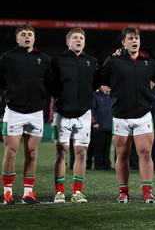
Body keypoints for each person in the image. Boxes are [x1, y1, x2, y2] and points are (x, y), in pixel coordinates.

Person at [101, 27, 155, 204]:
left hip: (143, 115)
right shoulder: (113, 61)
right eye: (130, 38)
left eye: (136, 37)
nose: (134, 41)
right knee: (122, 155)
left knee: (145, 153)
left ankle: (147, 191)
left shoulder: (149, 62)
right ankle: (123, 192)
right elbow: (99, 79)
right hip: (120, 115)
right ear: (123, 42)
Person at [0, 24, 52, 205]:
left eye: (30, 34)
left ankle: (28, 192)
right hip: (13, 112)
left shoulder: (44, 59)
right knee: (11, 152)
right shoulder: (7, 58)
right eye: (23, 34)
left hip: (36, 112)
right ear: (17, 39)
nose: (27, 37)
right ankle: (7, 192)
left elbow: (50, 84)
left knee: (32, 152)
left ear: (34, 38)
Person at [50, 27, 100, 203]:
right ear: (68, 42)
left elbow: (94, 84)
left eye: (81, 38)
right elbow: (50, 84)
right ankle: (59, 192)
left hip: (83, 114)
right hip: (61, 113)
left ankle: (77, 192)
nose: (79, 41)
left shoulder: (92, 62)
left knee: (80, 152)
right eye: (75, 38)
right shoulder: (57, 61)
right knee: (61, 152)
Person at [87, 85, 113, 170]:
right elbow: (92, 110)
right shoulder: (95, 95)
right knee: (98, 146)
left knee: (107, 147)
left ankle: (106, 164)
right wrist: (95, 122)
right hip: (99, 126)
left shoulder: (111, 96)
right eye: (107, 85)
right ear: (101, 86)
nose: (109, 87)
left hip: (109, 125)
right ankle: (98, 164)